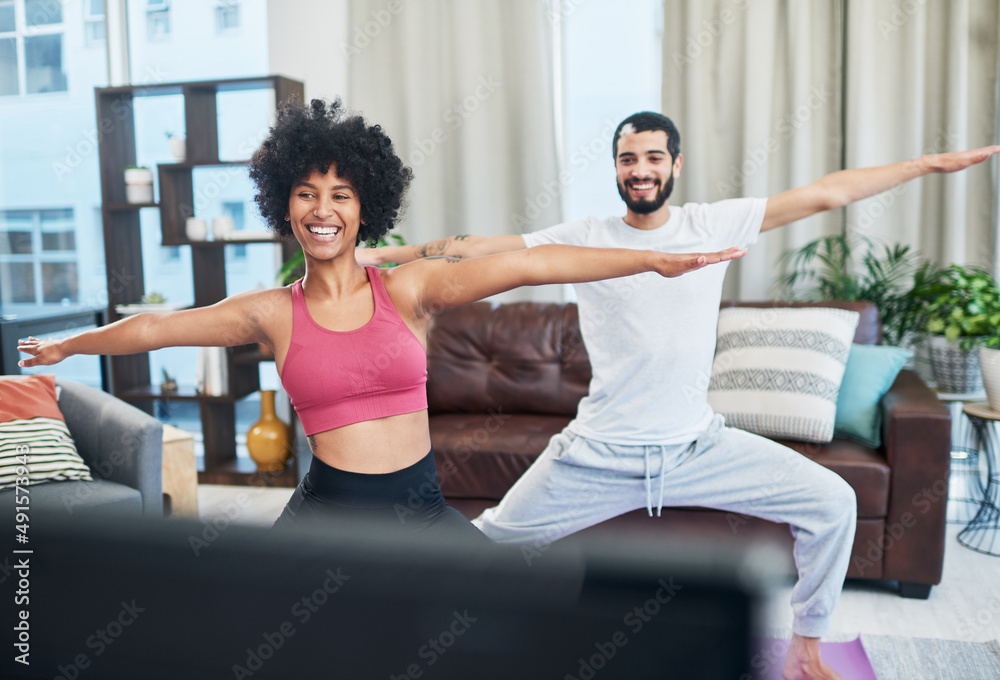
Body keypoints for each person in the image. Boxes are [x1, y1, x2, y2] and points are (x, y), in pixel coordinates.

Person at [356, 111, 1000, 680]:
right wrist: (391, 256)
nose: (640, 170)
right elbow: (478, 250)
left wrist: (926, 163)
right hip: (596, 454)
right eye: (628, 158)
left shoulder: (711, 224)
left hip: (697, 447)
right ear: (615, 167)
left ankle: (806, 651)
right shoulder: (587, 235)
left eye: (653, 157)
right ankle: (394, 634)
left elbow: (826, 194)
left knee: (832, 500)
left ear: (675, 164)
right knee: (482, 546)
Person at [16, 100, 745, 542]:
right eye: (305, 194)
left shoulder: (409, 289)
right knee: (249, 630)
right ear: (285, 207)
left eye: (340, 194)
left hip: (418, 506)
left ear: (366, 207)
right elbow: (155, 329)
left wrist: (648, 262)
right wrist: (68, 345)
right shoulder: (272, 313)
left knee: (504, 619)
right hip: (328, 506)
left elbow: (537, 264)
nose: (322, 209)